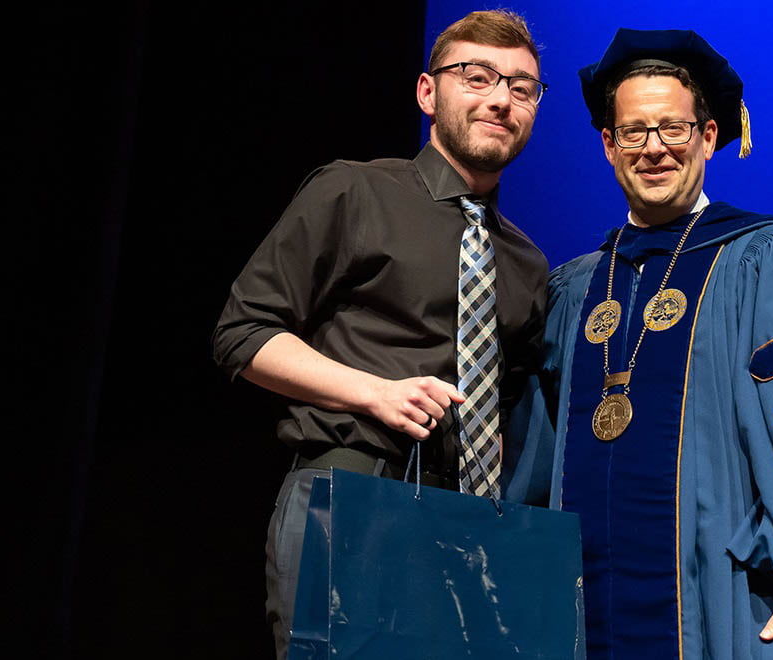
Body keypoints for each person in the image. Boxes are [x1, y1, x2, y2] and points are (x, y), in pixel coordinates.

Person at [504, 28, 773, 660]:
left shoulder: (766, 259)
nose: (654, 149)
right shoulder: (573, 289)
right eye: (634, 131)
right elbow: (534, 469)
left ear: (708, 136)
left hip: (732, 602)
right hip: (579, 616)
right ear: (608, 145)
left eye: (673, 129)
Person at [211, 10, 549, 658]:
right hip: (356, 486)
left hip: (471, 522)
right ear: (428, 91)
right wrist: (374, 393)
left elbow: (515, 404)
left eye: (521, 87)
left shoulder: (526, 262)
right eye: (477, 76)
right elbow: (243, 332)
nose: (500, 99)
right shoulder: (354, 190)